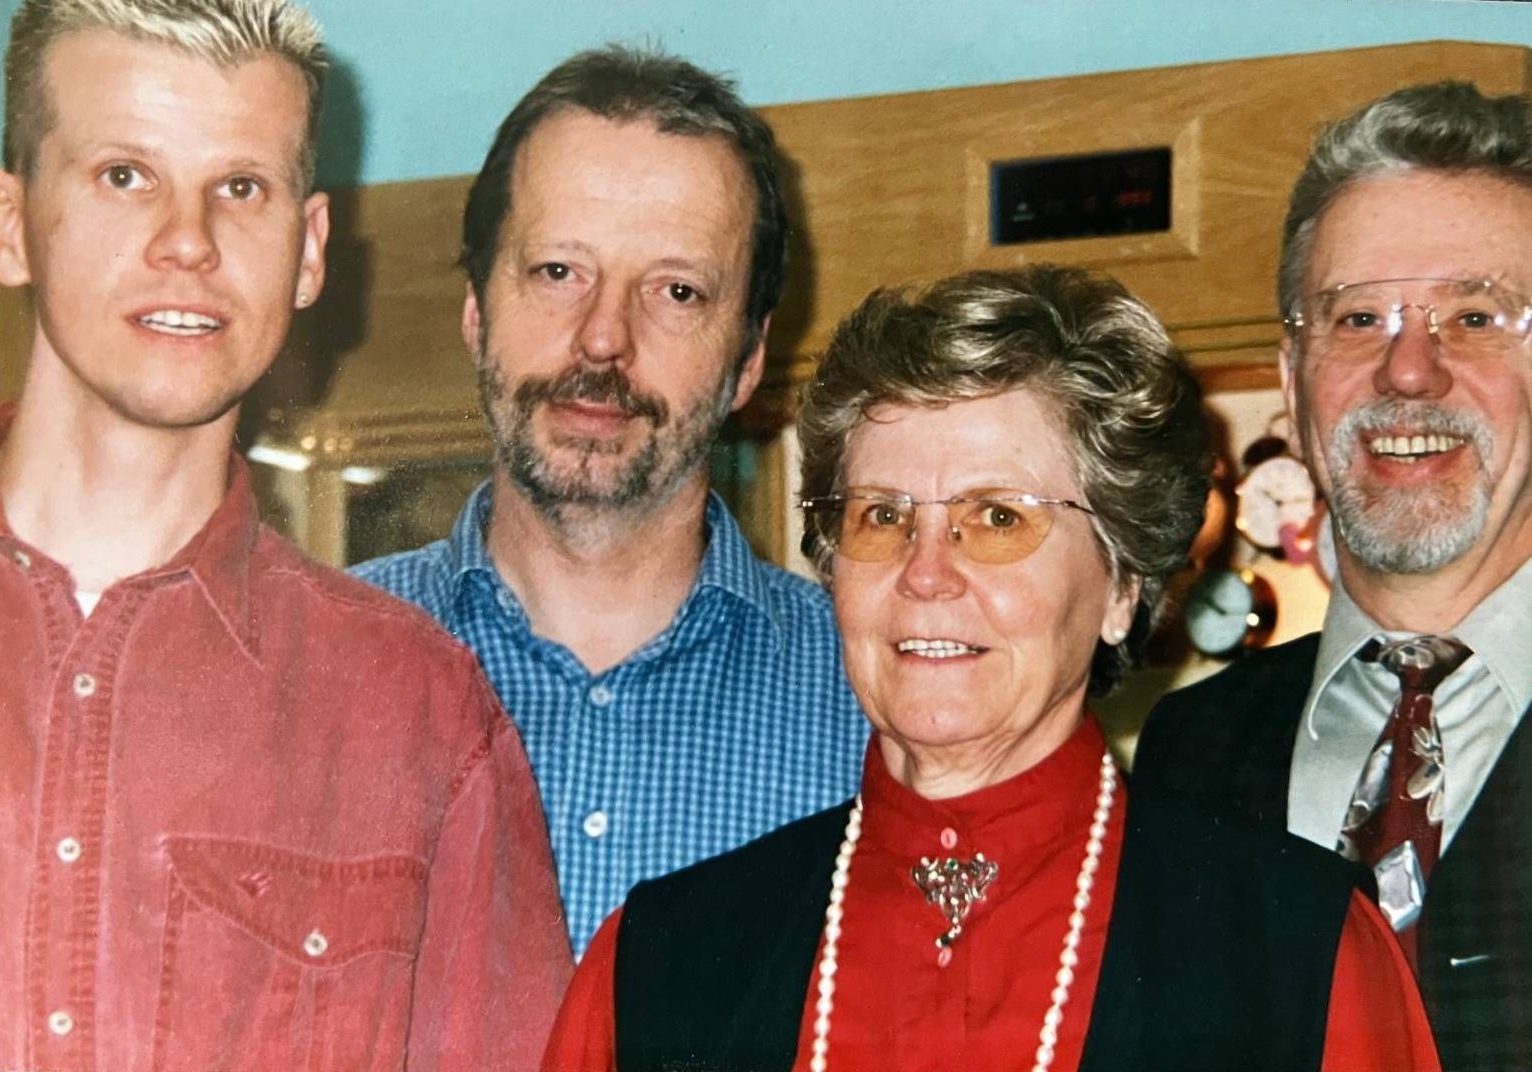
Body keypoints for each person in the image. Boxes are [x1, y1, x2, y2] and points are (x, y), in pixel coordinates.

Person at [542, 264, 1439, 1072]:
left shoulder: (1298, 957)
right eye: (881, 517)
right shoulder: (655, 966)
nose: (925, 574)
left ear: (1122, 583)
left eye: (999, 519)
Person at [0, 1, 572, 1068]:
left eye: (240, 188)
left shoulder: (424, 720)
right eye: (124, 174)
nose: (187, 241)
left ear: (308, 253)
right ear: (10, 223)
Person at [1133, 81, 1532, 1072]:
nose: (1407, 370)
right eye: (1357, 318)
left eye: (1476, 316)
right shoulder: (1187, 755)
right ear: (1290, 378)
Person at [354, 46, 868, 956]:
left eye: (676, 291)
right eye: (558, 271)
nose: (603, 337)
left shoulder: (870, 704)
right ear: (476, 312)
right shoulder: (323, 665)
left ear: (748, 359)